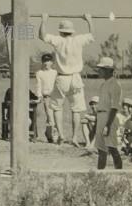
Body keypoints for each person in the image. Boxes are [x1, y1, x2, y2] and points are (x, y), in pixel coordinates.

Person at [39, 14, 94, 146]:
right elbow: (92, 35)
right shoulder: (79, 40)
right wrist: (89, 20)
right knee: (76, 109)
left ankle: (61, 135)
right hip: (75, 78)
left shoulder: (58, 40)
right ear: (72, 31)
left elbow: (42, 35)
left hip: (62, 78)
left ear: (60, 31)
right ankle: (74, 137)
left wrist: (44, 20)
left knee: (57, 108)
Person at [93, 57, 123, 170]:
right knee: (101, 149)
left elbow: (115, 107)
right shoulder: (103, 85)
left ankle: (120, 174)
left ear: (108, 70)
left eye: (101, 69)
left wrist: (108, 125)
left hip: (110, 118)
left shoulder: (115, 85)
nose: (99, 71)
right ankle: (100, 175)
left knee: (112, 147)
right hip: (101, 117)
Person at [35, 53, 58, 143]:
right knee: (50, 116)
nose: (46, 63)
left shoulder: (55, 73)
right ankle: (54, 136)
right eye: (44, 61)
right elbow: (38, 86)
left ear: (52, 62)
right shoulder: (39, 73)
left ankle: (48, 133)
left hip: (56, 97)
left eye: (48, 61)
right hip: (46, 97)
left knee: (55, 117)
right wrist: (39, 96)